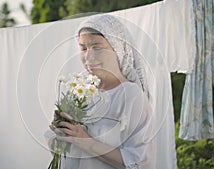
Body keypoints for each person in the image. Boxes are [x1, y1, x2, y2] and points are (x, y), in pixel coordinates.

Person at [49, 14, 156, 169]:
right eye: (83, 48)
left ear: (118, 48)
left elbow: (140, 162)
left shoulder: (131, 96)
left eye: (97, 48)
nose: (88, 56)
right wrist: (63, 131)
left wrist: (84, 140)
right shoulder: (82, 93)